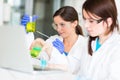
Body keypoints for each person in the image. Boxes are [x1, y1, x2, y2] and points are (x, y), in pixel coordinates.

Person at [21, 6, 86, 74]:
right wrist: (28, 33)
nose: (58, 29)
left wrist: (61, 55)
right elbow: (33, 54)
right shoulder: (53, 40)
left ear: (74, 23)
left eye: (62, 24)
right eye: (56, 25)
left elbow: (72, 70)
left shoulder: (84, 45)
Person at [77, 0, 120, 80]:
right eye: (85, 19)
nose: (86, 25)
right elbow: (80, 72)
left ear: (108, 21)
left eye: (91, 21)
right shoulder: (88, 42)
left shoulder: (117, 48)